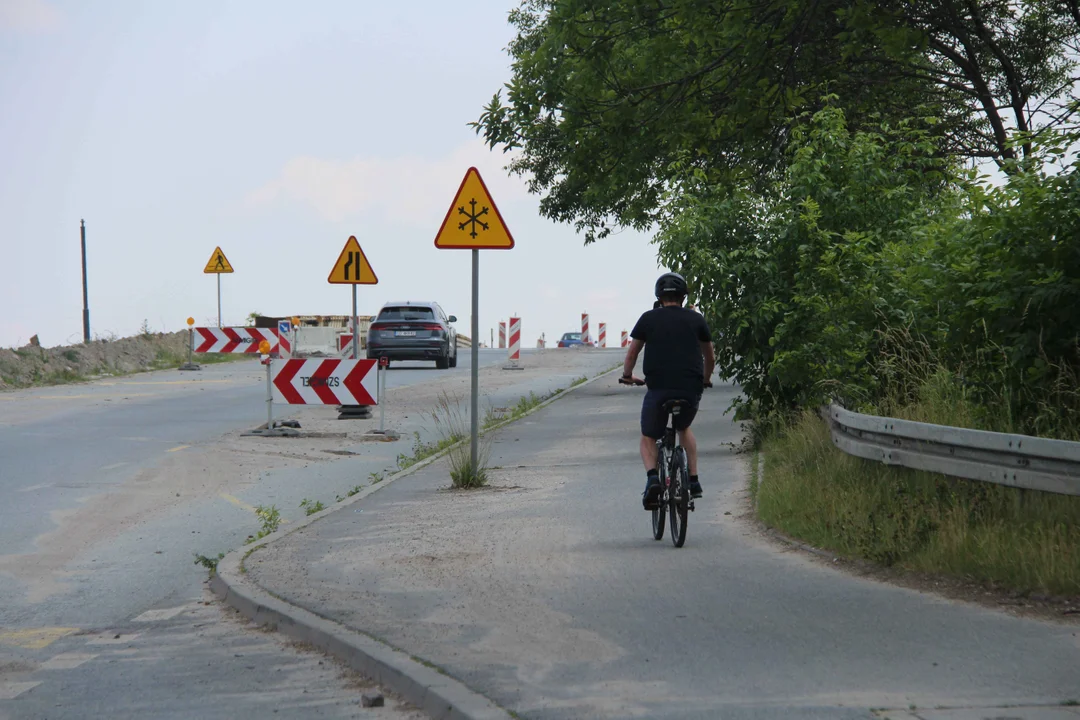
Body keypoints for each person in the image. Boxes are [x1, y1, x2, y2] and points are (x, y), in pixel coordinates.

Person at [621, 272, 714, 509]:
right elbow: (709, 355)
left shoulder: (648, 319)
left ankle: (653, 479)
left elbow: (632, 352)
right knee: (683, 427)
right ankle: (693, 480)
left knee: (648, 436)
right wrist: (706, 379)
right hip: (690, 388)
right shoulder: (697, 320)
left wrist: (628, 376)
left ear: (659, 297)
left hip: (659, 389)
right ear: (683, 297)